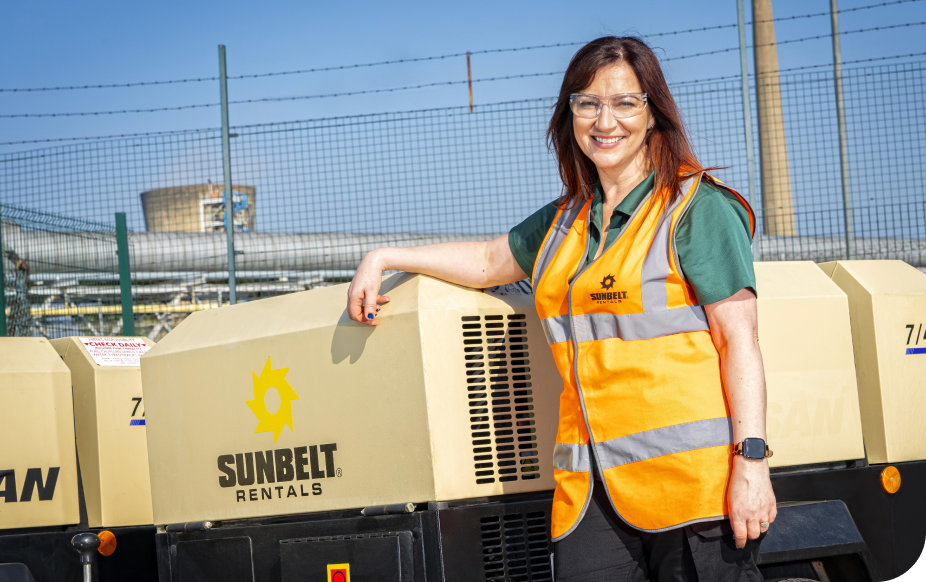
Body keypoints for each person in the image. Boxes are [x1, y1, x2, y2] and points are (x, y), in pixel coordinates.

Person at [346, 36, 776, 581]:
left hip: (695, 491)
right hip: (590, 495)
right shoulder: (561, 222)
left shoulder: (697, 209)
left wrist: (752, 462)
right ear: (568, 114)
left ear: (653, 114)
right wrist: (383, 256)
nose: (605, 120)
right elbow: (484, 260)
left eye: (625, 103)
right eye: (587, 103)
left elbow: (739, 341)